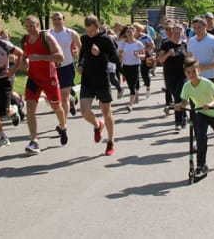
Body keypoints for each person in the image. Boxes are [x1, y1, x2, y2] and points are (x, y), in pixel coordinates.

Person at [175, 57, 214, 178]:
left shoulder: (206, 83)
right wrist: (179, 105)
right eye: (188, 72)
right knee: (201, 137)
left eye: (194, 71)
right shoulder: (187, 86)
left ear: (199, 71)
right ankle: (201, 165)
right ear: (185, 73)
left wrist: (210, 104)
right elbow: (185, 102)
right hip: (200, 112)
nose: (192, 74)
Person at [21, 15, 67, 154]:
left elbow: (60, 56)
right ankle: (34, 141)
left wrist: (40, 57)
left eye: (32, 25)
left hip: (49, 78)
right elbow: (25, 55)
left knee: (56, 106)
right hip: (34, 78)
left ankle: (63, 126)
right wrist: (25, 62)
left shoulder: (46, 37)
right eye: (27, 26)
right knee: (29, 107)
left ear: (37, 25)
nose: (30, 29)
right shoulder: (25, 39)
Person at [77, 15, 119, 156]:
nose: (89, 34)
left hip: (102, 79)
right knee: (84, 112)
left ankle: (111, 141)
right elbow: (83, 54)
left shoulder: (106, 39)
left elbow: (115, 58)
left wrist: (100, 53)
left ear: (98, 26)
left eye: (92, 31)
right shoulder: (84, 39)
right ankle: (97, 125)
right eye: (87, 31)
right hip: (88, 79)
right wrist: (80, 64)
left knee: (106, 112)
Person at [48, 12, 82, 121]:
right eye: (54, 19)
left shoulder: (71, 33)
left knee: (64, 96)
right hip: (53, 68)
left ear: (63, 20)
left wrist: (80, 63)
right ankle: (71, 102)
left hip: (67, 66)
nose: (57, 21)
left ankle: (63, 123)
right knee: (53, 97)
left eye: (59, 19)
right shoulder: (48, 34)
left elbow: (80, 48)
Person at [158, 24, 187, 132]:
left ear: (182, 34)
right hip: (170, 75)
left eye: (179, 33)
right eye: (175, 33)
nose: (176, 35)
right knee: (176, 97)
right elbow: (160, 60)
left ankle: (178, 122)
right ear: (172, 33)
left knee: (179, 97)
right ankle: (183, 115)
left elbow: (189, 58)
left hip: (183, 75)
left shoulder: (184, 45)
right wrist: (168, 54)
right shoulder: (166, 45)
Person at [187, 17, 214, 85]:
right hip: (195, 78)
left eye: (199, 27)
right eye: (194, 28)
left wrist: (205, 67)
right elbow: (188, 58)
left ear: (205, 26)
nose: (197, 30)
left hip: (210, 78)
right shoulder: (191, 41)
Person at [118, 25, 145, 112]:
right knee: (130, 84)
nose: (129, 33)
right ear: (125, 33)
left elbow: (143, 56)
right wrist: (120, 57)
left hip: (135, 65)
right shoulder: (123, 43)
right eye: (127, 32)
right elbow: (120, 54)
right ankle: (135, 93)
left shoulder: (138, 43)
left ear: (134, 33)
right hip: (126, 66)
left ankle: (130, 105)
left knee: (132, 85)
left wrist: (138, 55)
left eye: (131, 32)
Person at [133, 22, 155, 99]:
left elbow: (152, 46)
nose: (133, 31)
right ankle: (136, 92)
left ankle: (148, 88)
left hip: (145, 56)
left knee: (144, 74)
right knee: (135, 75)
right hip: (135, 57)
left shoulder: (146, 37)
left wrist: (143, 50)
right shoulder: (131, 38)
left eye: (134, 30)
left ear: (139, 30)